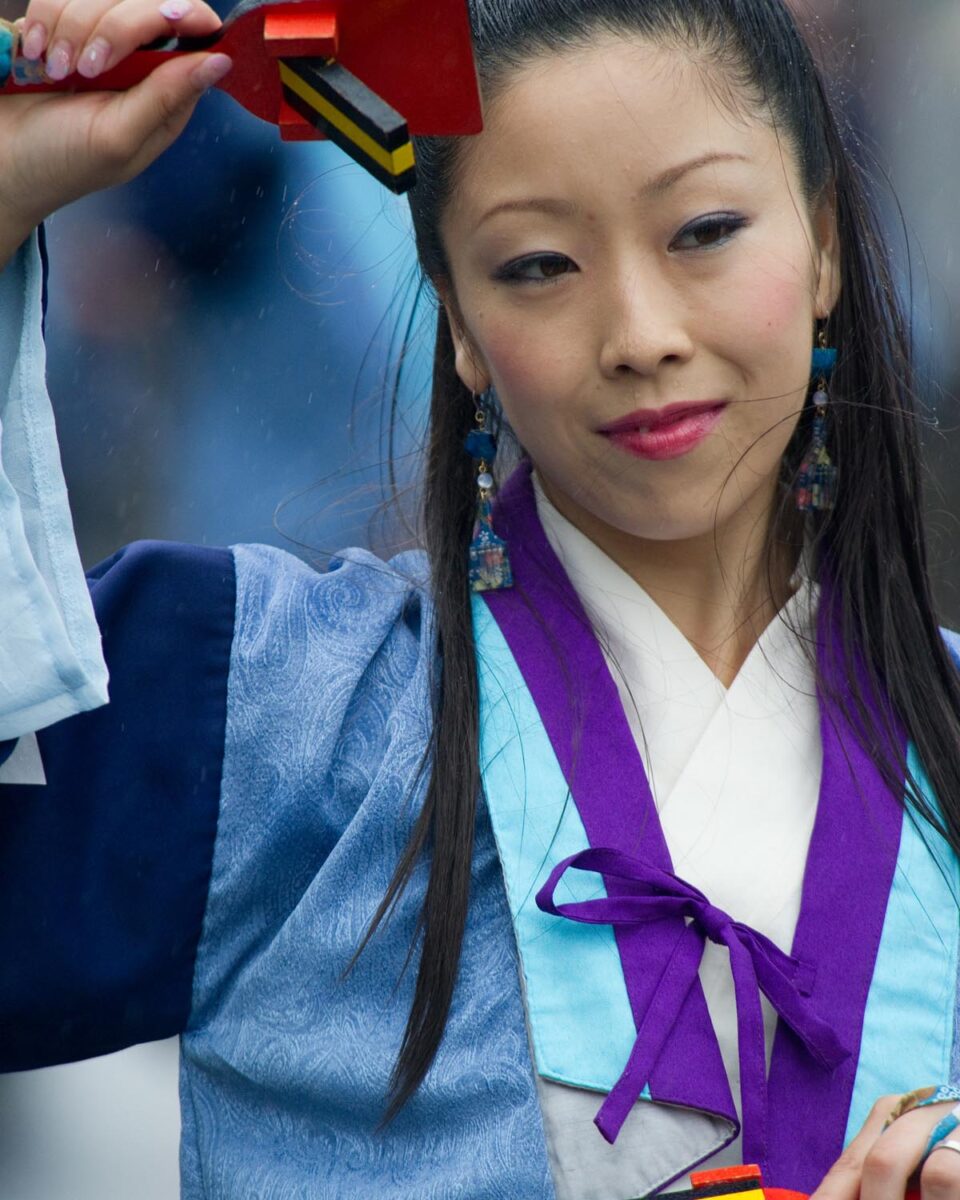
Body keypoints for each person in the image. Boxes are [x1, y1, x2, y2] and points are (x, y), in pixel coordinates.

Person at [1, 0, 959, 1197]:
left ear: (822, 243)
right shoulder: (264, 712)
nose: (640, 333)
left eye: (704, 230)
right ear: (460, 322)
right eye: (538, 266)